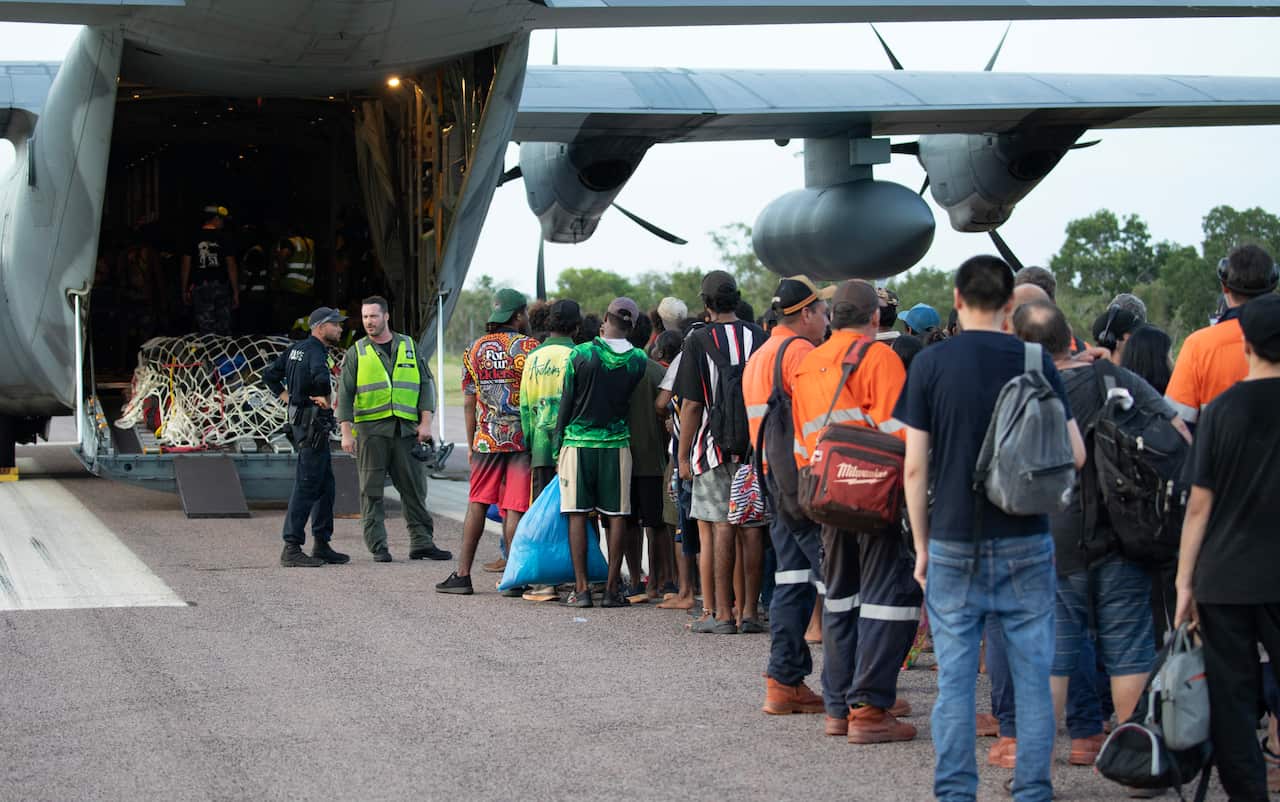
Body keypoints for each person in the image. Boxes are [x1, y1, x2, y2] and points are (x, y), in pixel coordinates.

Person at [895, 255, 1085, 802]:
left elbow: (914, 466)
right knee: (1031, 673)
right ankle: (1032, 789)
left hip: (953, 539)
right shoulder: (1033, 359)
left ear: (957, 300)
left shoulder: (931, 364)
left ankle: (955, 792)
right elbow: (1073, 452)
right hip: (1026, 537)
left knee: (954, 679)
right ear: (1010, 306)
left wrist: (923, 547)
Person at [1012, 300, 1170, 766]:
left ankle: (1033, 769)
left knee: (1052, 653)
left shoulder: (1025, 388)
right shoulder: (1112, 378)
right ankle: (1138, 762)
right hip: (1122, 532)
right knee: (1129, 648)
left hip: (1053, 537)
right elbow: (1176, 426)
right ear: (1070, 338)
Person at [791, 279, 919, 743]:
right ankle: (869, 709)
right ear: (876, 318)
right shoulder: (877, 357)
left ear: (832, 316)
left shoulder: (807, 365)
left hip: (825, 496)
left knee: (840, 600)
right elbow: (900, 435)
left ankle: (837, 707)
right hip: (874, 498)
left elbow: (803, 442)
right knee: (891, 599)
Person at [1175, 293, 1280, 801]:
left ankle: (1248, 794)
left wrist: (1183, 581)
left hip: (1225, 573)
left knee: (1233, 697)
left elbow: (1199, 506)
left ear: (1248, 345)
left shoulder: (1222, 411)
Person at [743, 276, 831, 715]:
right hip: (801, 481)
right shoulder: (800, 353)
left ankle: (784, 680)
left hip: (772, 479)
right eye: (823, 313)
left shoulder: (760, 355)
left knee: (792, 580)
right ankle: (855, 694)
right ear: (805, 314)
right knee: (838, 580)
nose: (827, 321)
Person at [674, 270, 766, 634]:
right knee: (753, 526)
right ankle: (751, 614)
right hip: (754, 448)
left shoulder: (698, 340)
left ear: (706, 303)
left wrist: (683, 457)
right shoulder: (759, 336)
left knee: (720, 523)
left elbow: (692, 405)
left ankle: (723, 614)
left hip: (712, 449)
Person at [436, 289, 539, 594]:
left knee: (478, 502)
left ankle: (462, 575)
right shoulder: (530, 347)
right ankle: (514, 579)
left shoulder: (474, 350)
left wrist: (470, 443)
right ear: (518, 315)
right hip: (521, 440)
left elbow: (469, 403)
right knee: (515, 508)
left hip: (486, 440)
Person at [336, 296, 447, 563]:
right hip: (371, 432)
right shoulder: (357, 352)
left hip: (406, 432)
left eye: (373, 316)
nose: (368, 322)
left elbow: (425, 385)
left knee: (415, 489)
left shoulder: (409, 346)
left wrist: (426, 422)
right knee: (371, 491)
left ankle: (422, 543)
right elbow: (345, 394)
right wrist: (346, 432)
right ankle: (378, 547)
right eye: (364, 317)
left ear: (386, 317)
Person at [556, 298, 649, 608]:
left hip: (579, 444)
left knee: (577, 514)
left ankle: (582, 589)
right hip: (616, 445)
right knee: (618, 515)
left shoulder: (580, 354)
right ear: (632, 326)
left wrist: (559, 444)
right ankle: (612, 589)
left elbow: (566, 403)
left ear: (605, 320)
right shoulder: (638, 360)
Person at [263, 307, 349, 567]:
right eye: (336, 325)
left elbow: (270, 375)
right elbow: (321, 378)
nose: (340, 329)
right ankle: (291, 547)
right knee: (307, 484)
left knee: (325, 485)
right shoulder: (315, 352)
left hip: (302, 423)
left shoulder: (294, 349)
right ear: (320, 327)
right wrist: (322, 395)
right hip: (313, 425)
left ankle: (322, 543)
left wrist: (288, 398)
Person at [1166, 244, 1278, 425]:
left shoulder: (1199, 346)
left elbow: (1177, 424)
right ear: (1272, 285)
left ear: (1225, 287)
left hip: (1217, 450)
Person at [518, 299, 582, 603]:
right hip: (575, 447)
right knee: (578, 515)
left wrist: (533, 443)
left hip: (542, 449)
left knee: (542, 513)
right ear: (577, 327)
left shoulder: (533, 357)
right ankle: (578, 577)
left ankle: (543, 583)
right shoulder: (579, 355)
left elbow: (525, 406)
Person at [181, 204, 238, 335]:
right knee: (223, 330)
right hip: (221, 288)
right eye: (222, 219)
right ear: (215, 218)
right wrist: (235, 292)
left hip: (201, 288)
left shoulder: (193, 237)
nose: (223, 223)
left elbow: (185, 265)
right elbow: (231, 266)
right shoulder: (224, 237)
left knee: (205, 329)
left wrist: (184, 289)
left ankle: (209, 353)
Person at [275, 234, 317, 335]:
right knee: (302, 326)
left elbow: (283, 255)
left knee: (287, 326)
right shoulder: (310, 243)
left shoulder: (290, 242)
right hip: (307, 291)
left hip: (291, 290)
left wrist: (280, 272)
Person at [1119, 324, 1174, 396]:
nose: (1173, 363)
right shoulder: (1164, 402)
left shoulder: (1117, 395)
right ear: (1158, 363)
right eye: (1170, 357)